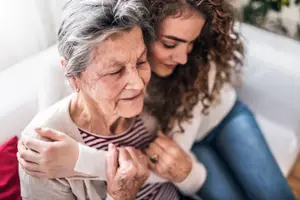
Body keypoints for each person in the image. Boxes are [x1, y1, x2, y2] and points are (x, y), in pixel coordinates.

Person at [18, 0, 296, 199]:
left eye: (191, 43)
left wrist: (80, 159)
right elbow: (54, 139)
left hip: (219, 120)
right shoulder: (98, 60)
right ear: (146, 28)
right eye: (170, 43)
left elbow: (170, 161)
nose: (183, 56)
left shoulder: (196, 67)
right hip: (181, 145)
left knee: (273, 193)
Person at [18, 0, 196, 199]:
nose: (138, 84)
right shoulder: (43, 150)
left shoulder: (154, 102)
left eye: (141, 61)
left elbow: (183, 170)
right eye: (115, 71)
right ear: (73, 75)